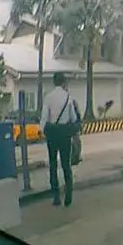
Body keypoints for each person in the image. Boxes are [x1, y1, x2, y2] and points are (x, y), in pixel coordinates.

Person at [40, 72, 79, 206]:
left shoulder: (48, 97)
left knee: (53, 164)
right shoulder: (69, 98)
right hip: (64, 134)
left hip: (52, 134)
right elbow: (73, 118)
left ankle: (56, 196)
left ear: (54, 82)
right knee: (66, 164)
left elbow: (44, 117)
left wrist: (41, 131)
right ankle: (68, 196)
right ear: (63, 83)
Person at [71, 96, 83, 166]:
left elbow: (78, 119)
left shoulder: (76, 112)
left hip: (74, 129)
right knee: (74, 145)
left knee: (77, 144)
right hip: (70, 129)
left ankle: (76, 158)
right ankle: (73, 159)